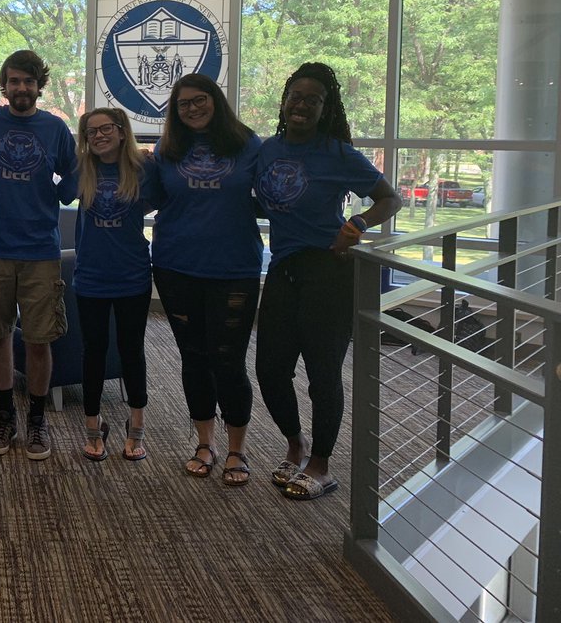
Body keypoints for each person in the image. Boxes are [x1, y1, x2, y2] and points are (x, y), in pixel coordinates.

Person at [254, 61, 401, 501]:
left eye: (312, 100)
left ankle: (321, 466)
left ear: (324, 107)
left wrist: (356, 224)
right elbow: (270, 202)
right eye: (295, 97)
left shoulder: (338, 153)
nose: (301, 105)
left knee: (322, 375)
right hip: (282, 269)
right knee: (270, 370)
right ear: (284, 102)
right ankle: (295, 444)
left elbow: (389, 198)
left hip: (329, 272)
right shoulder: (267, 150)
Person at [0, 49, 77, 461]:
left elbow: (72, 178)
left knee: (39, 340)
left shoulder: (55, 128)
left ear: (38, 86)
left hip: (41, 250)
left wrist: (57, 192)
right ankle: (4, 415)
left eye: (28, 81)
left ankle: (36, 421)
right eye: (14, 81)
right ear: (4, 85)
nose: (21, 88)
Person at [150, 74, 263, 485]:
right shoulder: (167, 150)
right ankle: (204, 443)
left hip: (235, 269)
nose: (192, 109)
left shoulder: (248, 144)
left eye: (200, 101)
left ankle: (237, 449)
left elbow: (274, 195)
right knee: (194, 358)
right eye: (183, 105)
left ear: (216, 101)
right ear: (174, 112)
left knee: (228, 360)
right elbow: (148, 196)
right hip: (175, 265)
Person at [73, 107, 155, 462]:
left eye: (107, 128)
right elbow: (52, 191)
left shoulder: (142, 169)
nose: (100, 135)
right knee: (93, 351)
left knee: (131, 350)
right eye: (92, 132)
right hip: (90, 277)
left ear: (122, 132)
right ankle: (93, 427)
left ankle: (136, 428)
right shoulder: (82, 170)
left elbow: (170, 196)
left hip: (133, 275)